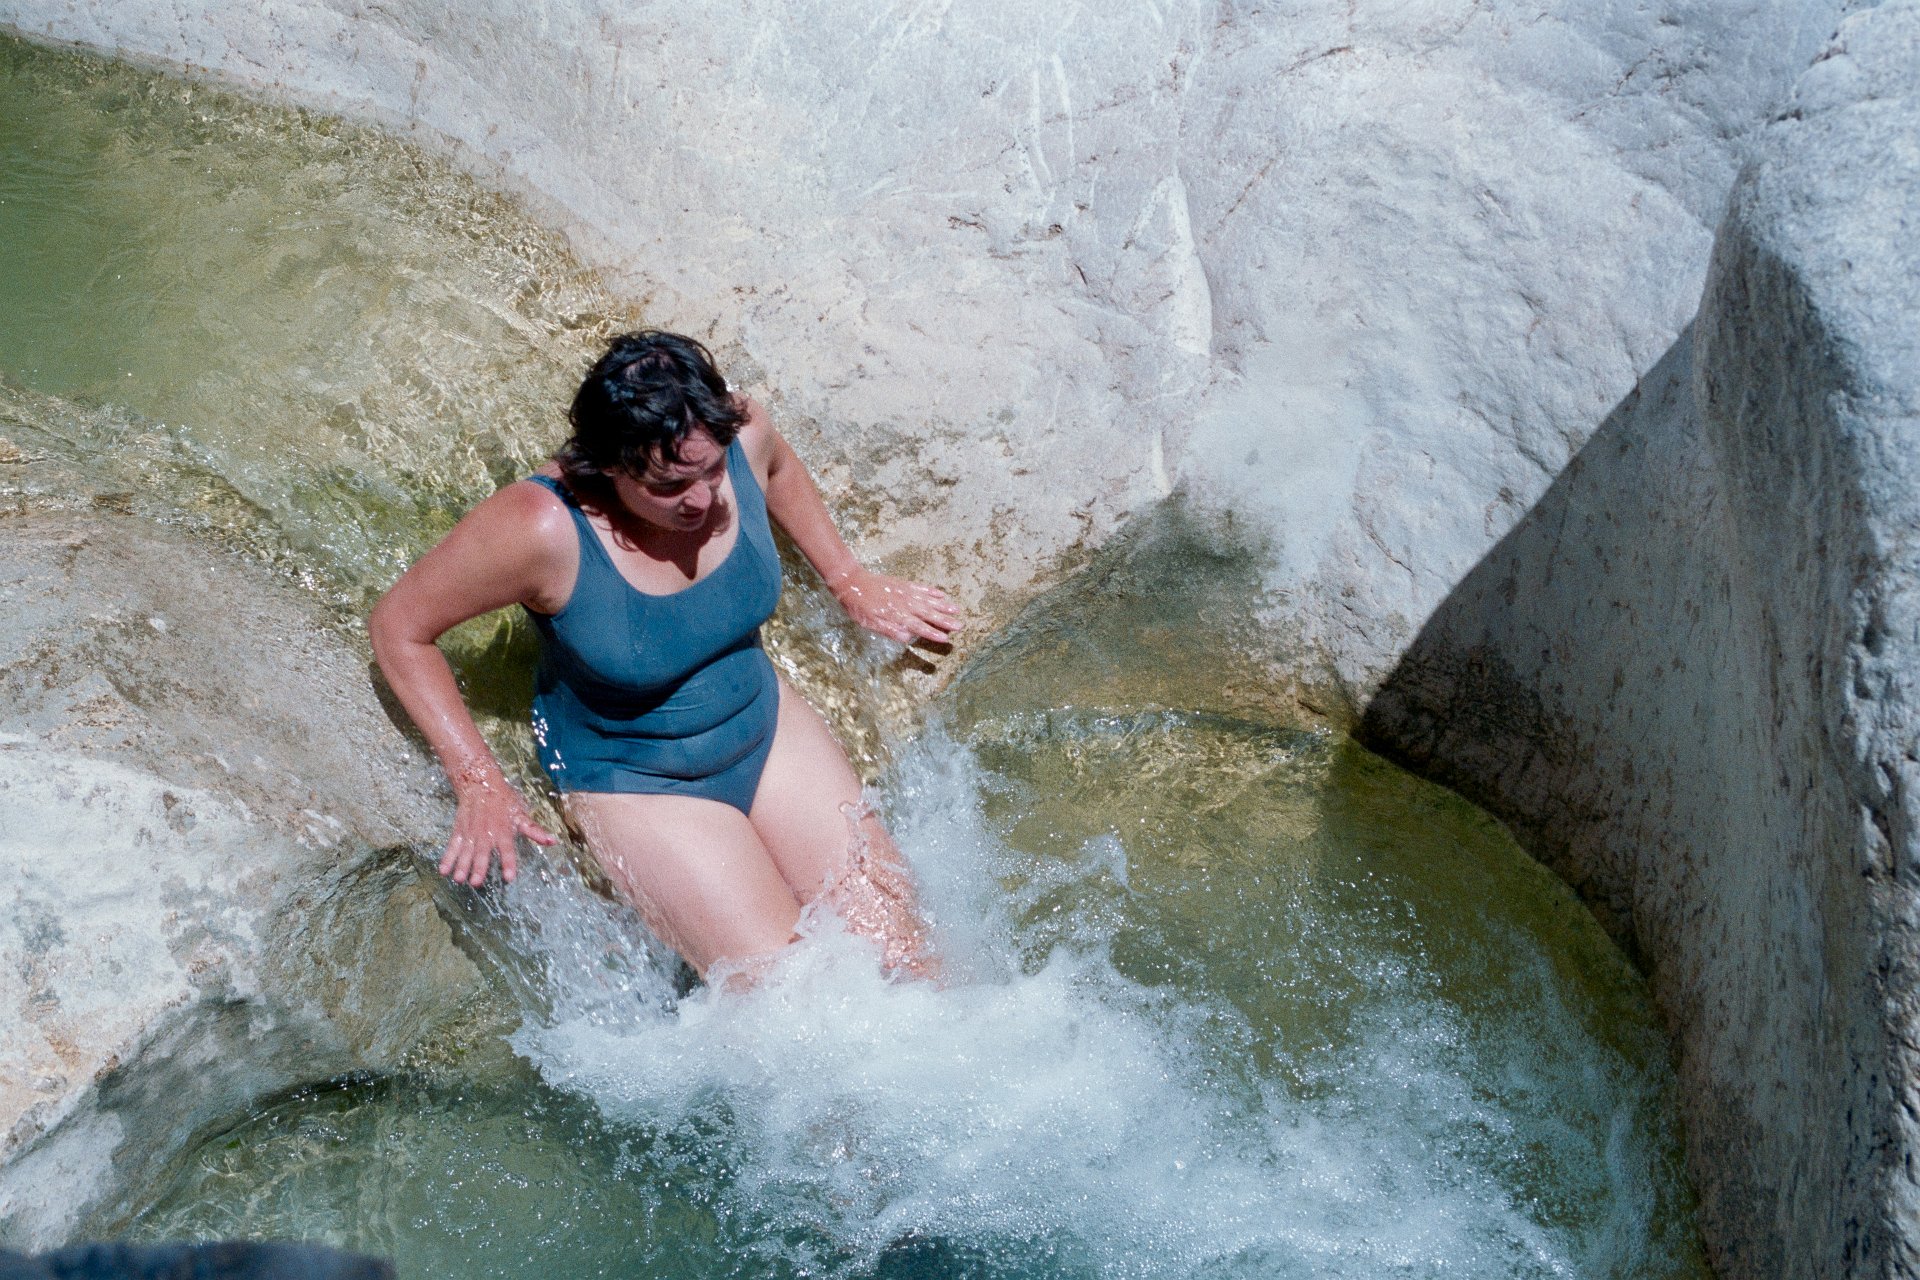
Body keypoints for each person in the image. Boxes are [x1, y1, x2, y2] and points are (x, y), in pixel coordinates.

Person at [369, 330, 960, 983]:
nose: (703, 500)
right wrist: (478, 780)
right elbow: (400, 627)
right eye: (671, 484)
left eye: (712, 471)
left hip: (764, 728)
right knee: (794, 1002)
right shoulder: (542, 527)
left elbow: (778, 466)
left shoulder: (738, 433)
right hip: (637, 780)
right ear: (610, 466)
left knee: (913, 962)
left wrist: (847, 577)